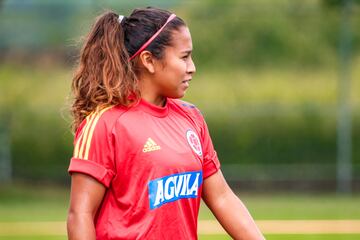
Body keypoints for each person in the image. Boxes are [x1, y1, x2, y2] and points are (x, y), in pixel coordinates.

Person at [67, 7, 264, 240]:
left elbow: (222, 198)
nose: (192, 67)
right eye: (184, 57)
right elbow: (80, 214)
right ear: (149, 60)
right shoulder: (105, 124)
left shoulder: (191, 118)